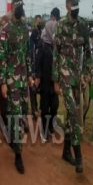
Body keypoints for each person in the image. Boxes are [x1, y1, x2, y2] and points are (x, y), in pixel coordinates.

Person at [53, 0, 93, 174]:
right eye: (73, 5)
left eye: (77, 5)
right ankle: (79, 157)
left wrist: (87, 73)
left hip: (78, 77)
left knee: (71, 114)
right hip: (65, 76)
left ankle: (65, 151)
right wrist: (56, 80)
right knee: (75, 114)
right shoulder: (61, 26)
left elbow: (88, 53)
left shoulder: (83, 26)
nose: (75, 8)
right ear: (67, 5)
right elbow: (55, 54)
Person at [0, 0, 33, 174]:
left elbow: (28, 54)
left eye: (22, 6)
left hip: (23, 79)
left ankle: (14, 139)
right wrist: (3, 82)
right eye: (17, 7)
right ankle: (18, 155)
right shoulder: (6, 30)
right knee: (16, 113)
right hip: (12, 80)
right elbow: (2, 58)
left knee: (23, 112)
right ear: (13, 7)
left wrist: (30, 75)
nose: (20, 10)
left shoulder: (26, 29)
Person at [35, 8, 60, 142]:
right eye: (53, 30)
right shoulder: (43, 45)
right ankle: (43, 131)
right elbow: (37, 63)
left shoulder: (57, 47)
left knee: (54, 105)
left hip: (54, 81)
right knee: (44, 107)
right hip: (45, 82)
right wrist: (37, 77)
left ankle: (51, 127)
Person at [29, 15, 43, 120]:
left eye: (40, 21)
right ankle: (34, 110)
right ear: (35, 21)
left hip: (41, 66)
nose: (39, 22)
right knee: (33, 90)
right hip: (33, 65)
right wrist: (32, 69)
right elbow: (31, 51)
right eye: (37, 21)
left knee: (41, 89)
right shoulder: (33, 34)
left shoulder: (43, 33)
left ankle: (41, 110)